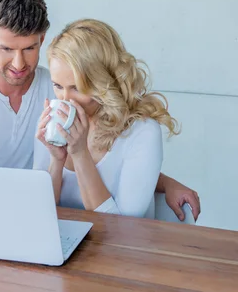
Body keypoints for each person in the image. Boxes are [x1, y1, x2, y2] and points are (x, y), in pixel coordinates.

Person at [0, 0, 200, 221]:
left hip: (46, 224)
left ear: (42, 40)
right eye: (6, 49)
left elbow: (118, 157)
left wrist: (162, 182)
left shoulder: (52, 86)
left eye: (30, 48)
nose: (19, 63)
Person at [34, 19, 187, 218]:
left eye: (77, 88)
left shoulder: (142, 132)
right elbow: (38, 211)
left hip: (120, 247)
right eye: (58, 86)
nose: (65, 99)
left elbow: (122, 225)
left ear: (103, 81)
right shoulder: (54, 121)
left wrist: (80, 155)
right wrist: (56, 160)